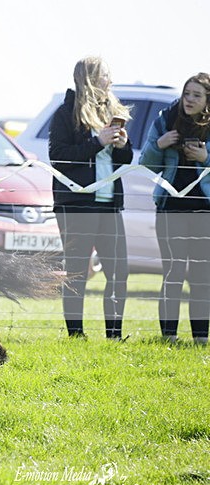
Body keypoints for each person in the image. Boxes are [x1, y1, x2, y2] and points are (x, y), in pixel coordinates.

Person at [49, 56, 132, 339]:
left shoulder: (111, 110)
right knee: (77, 272)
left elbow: (124, 160)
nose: (110, 81)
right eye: (106, 75)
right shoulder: (65, 113)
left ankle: (114, 335)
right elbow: (59, 157)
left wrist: (122, 146)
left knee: (119, 271)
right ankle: (76, 335)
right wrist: (97, 142)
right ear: (91, 78)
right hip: (77, 204)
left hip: (110, 203)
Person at [140, 73, 210, 344]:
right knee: (174, 272)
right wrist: (160, 145)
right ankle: (168, 336)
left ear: (207, 101)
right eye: (186, 94)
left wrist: (206, 157)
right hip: (170, 208)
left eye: (196, 95)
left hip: (204, 211)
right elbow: (147, 163)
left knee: (202, 276)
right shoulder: (165, 119)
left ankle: (201, 338)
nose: (189, 100)